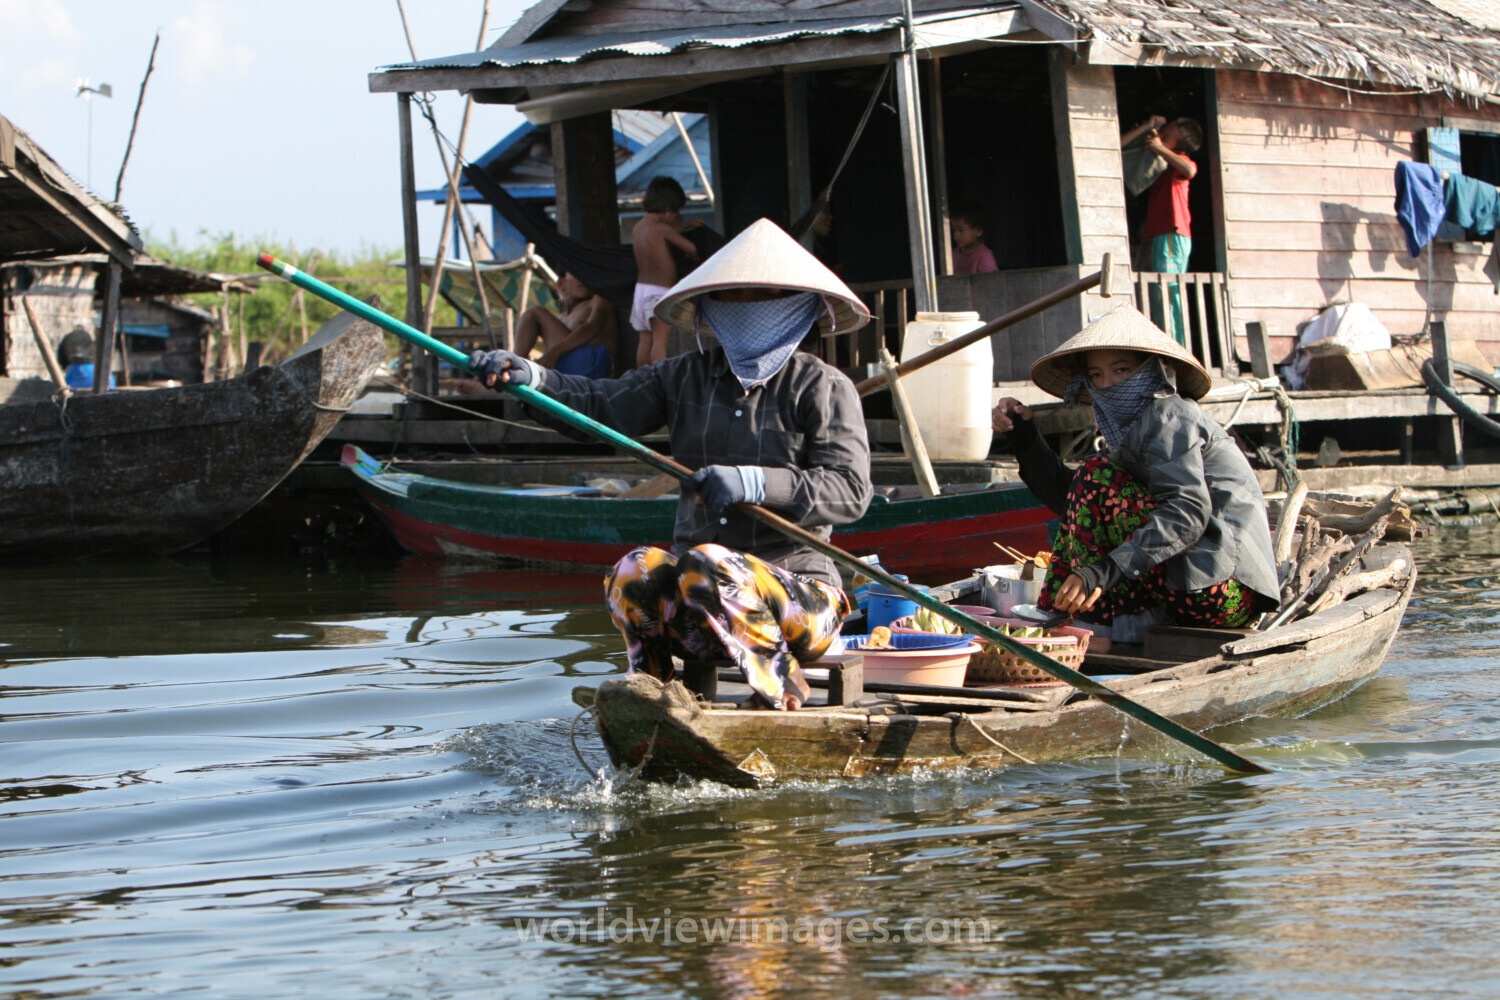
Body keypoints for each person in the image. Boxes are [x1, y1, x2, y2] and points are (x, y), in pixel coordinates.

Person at [469, 219, 873, 711]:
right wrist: (531, 378)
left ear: (797, 307)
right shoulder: (683, 376)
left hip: (800, 605)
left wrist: (754, 483)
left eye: (763, 296)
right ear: (712, 307)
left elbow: (850, 491)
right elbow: (603, 404)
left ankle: (779, 685)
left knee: (711, 562)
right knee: (634, 570)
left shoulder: (822, 385)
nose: (747, 307)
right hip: (697, 610)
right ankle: (654, 689)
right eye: (733, 296)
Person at [990, 304, 1278, 634]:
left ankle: (1098, 622)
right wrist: (1024, 436)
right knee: (1093, 477)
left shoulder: (1169, 417)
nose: (1108, 384)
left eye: (1121, 370)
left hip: (1224, 589)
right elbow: (1076, 503)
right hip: (1189, 586)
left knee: (1095, 473)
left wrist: (1100, 572)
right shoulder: (1132, 434)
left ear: (1155, 370)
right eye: (1096, 375)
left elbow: (1187, 513)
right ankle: (1103, 621)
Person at [1120, 115, 1203, 345]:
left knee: (1169, 292)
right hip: (1158, 235)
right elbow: (1117, 145)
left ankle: (1175, 349)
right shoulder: (1159, 166)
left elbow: (1189, 169)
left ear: (1180, 145)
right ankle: (1164, 347)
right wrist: (1147, 127)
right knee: (1159, 293)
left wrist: (1159, 147)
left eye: (1167, 136)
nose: (1161, 136)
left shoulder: (1180, 163)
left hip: (1172, 234)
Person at [631, 175, 700, 369]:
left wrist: (686, 225)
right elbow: (690, 247)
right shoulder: (662, 229)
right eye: (677, 213)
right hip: (659, 293)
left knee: (645, 341)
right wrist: (693, 256)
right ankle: (660, 380)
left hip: (640, 292)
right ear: (669, 208)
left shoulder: (639, 228)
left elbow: (667, 230)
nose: (676, 219)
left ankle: (640, 378)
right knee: (660, 341)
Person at [514, 271, 617, 378]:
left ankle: (516, 365)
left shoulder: (598, 300)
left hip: (591, 364)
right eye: (577, 273)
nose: (583, 278)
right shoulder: (559, 320)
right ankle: (518, 368)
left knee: (533, 312)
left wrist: (554, 352)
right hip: (564, 372)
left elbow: (593, 327)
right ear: (562, 284)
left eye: (586, 274)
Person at [950, 203, 997, 275]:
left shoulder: (984, 255)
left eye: (961, 230)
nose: (956, 234)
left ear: (978, 231)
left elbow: (992, 282)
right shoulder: (954, 254)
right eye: (954, 230)